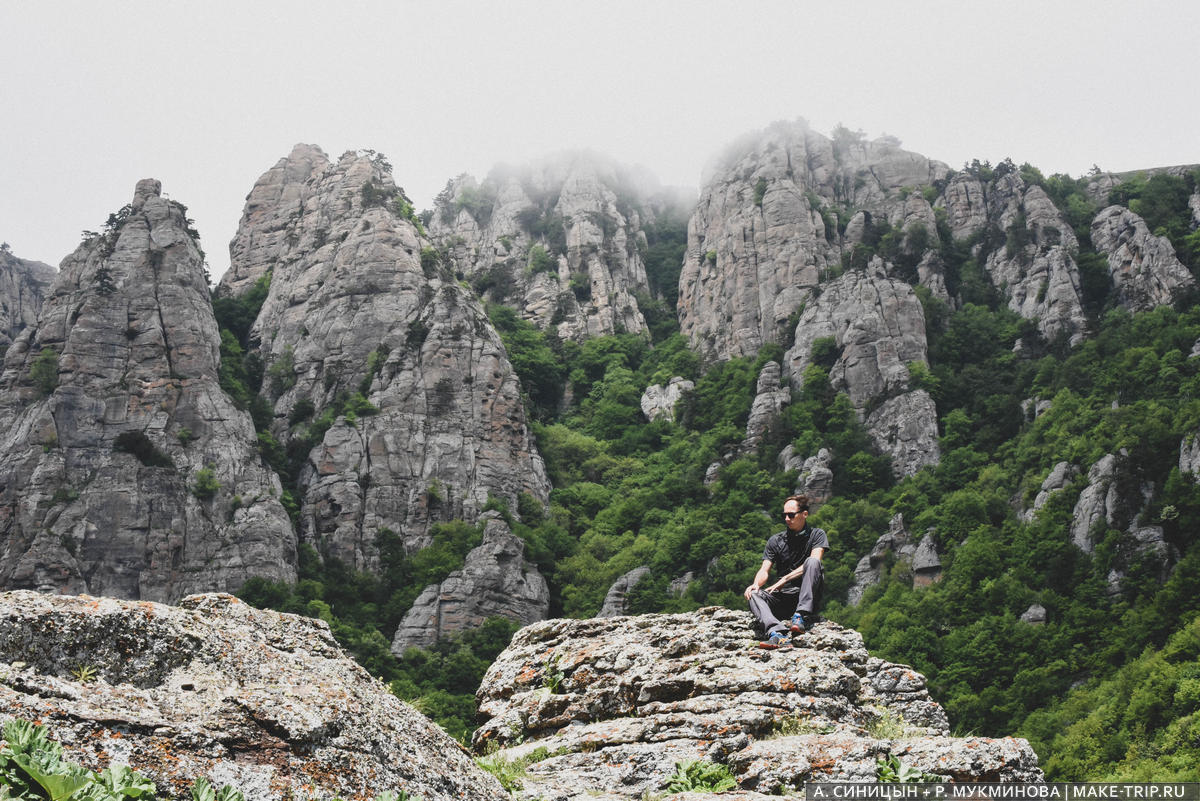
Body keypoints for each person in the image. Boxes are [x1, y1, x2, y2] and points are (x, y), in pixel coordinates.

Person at [744, 494, 828, 649]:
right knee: (754, 594)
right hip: (783, 598)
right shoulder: (776, 541)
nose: (787, 519)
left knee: (813, 562)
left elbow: (815, 560)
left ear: (804, 514)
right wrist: (755, 584)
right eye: (784, 515)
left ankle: (800, 616)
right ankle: (776, 633)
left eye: (791, 515)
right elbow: (764, 569)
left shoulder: (817, 535)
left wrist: (784, 579)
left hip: (807, 596)